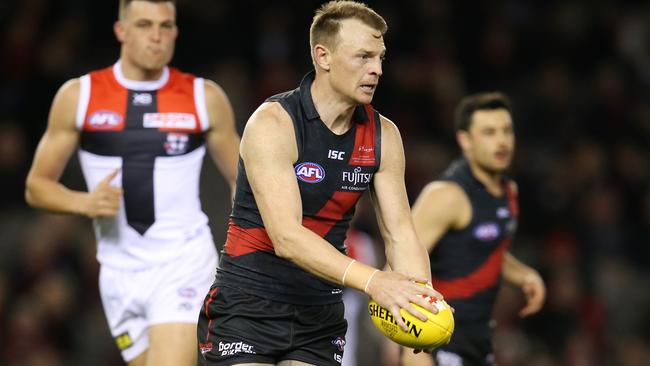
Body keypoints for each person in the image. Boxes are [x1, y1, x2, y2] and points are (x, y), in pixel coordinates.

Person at [197, 1, 442, 365]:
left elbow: (400, 234)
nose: (376, 69)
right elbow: (286, 237)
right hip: (248, 305)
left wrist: (421, 303)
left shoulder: (383, 136)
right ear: (323, 56)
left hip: (320, 312)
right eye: (363, 57)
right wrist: (376, 282)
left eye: (380, 58)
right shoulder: (273, 124)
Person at [24, 1, 240, 365]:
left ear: (175, 31)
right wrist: (84, 203)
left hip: (182, 262)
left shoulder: (205, 97)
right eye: (144, 24)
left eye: (166, 25)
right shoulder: (80, 96)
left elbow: (242, 178)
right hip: (118, 273)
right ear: (121, 30)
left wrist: (242, 246)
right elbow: (36, 187)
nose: (157, 36)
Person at [402, 92, 546, 366]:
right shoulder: (446, 196)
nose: (501, 140)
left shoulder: (508, 192)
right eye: (489, 132)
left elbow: (485, 251)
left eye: (506, 131)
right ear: (465, 140)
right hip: (437, 347)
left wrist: (524, 275)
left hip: (480, 343)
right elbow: (398, 267)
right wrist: (410, 349)